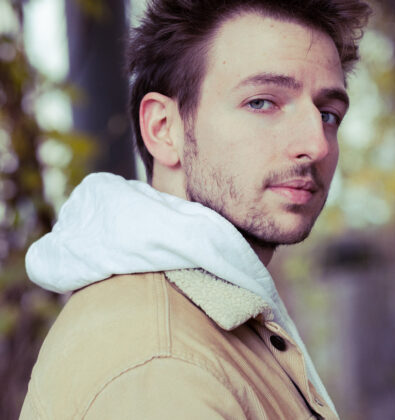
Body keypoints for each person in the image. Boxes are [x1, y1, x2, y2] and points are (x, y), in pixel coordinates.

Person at [20, 1, 371, 419]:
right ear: (163, 128)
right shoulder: (160, 365)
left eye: (328, 114)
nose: (316, 144)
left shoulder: (213, 318)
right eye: (262, 103)